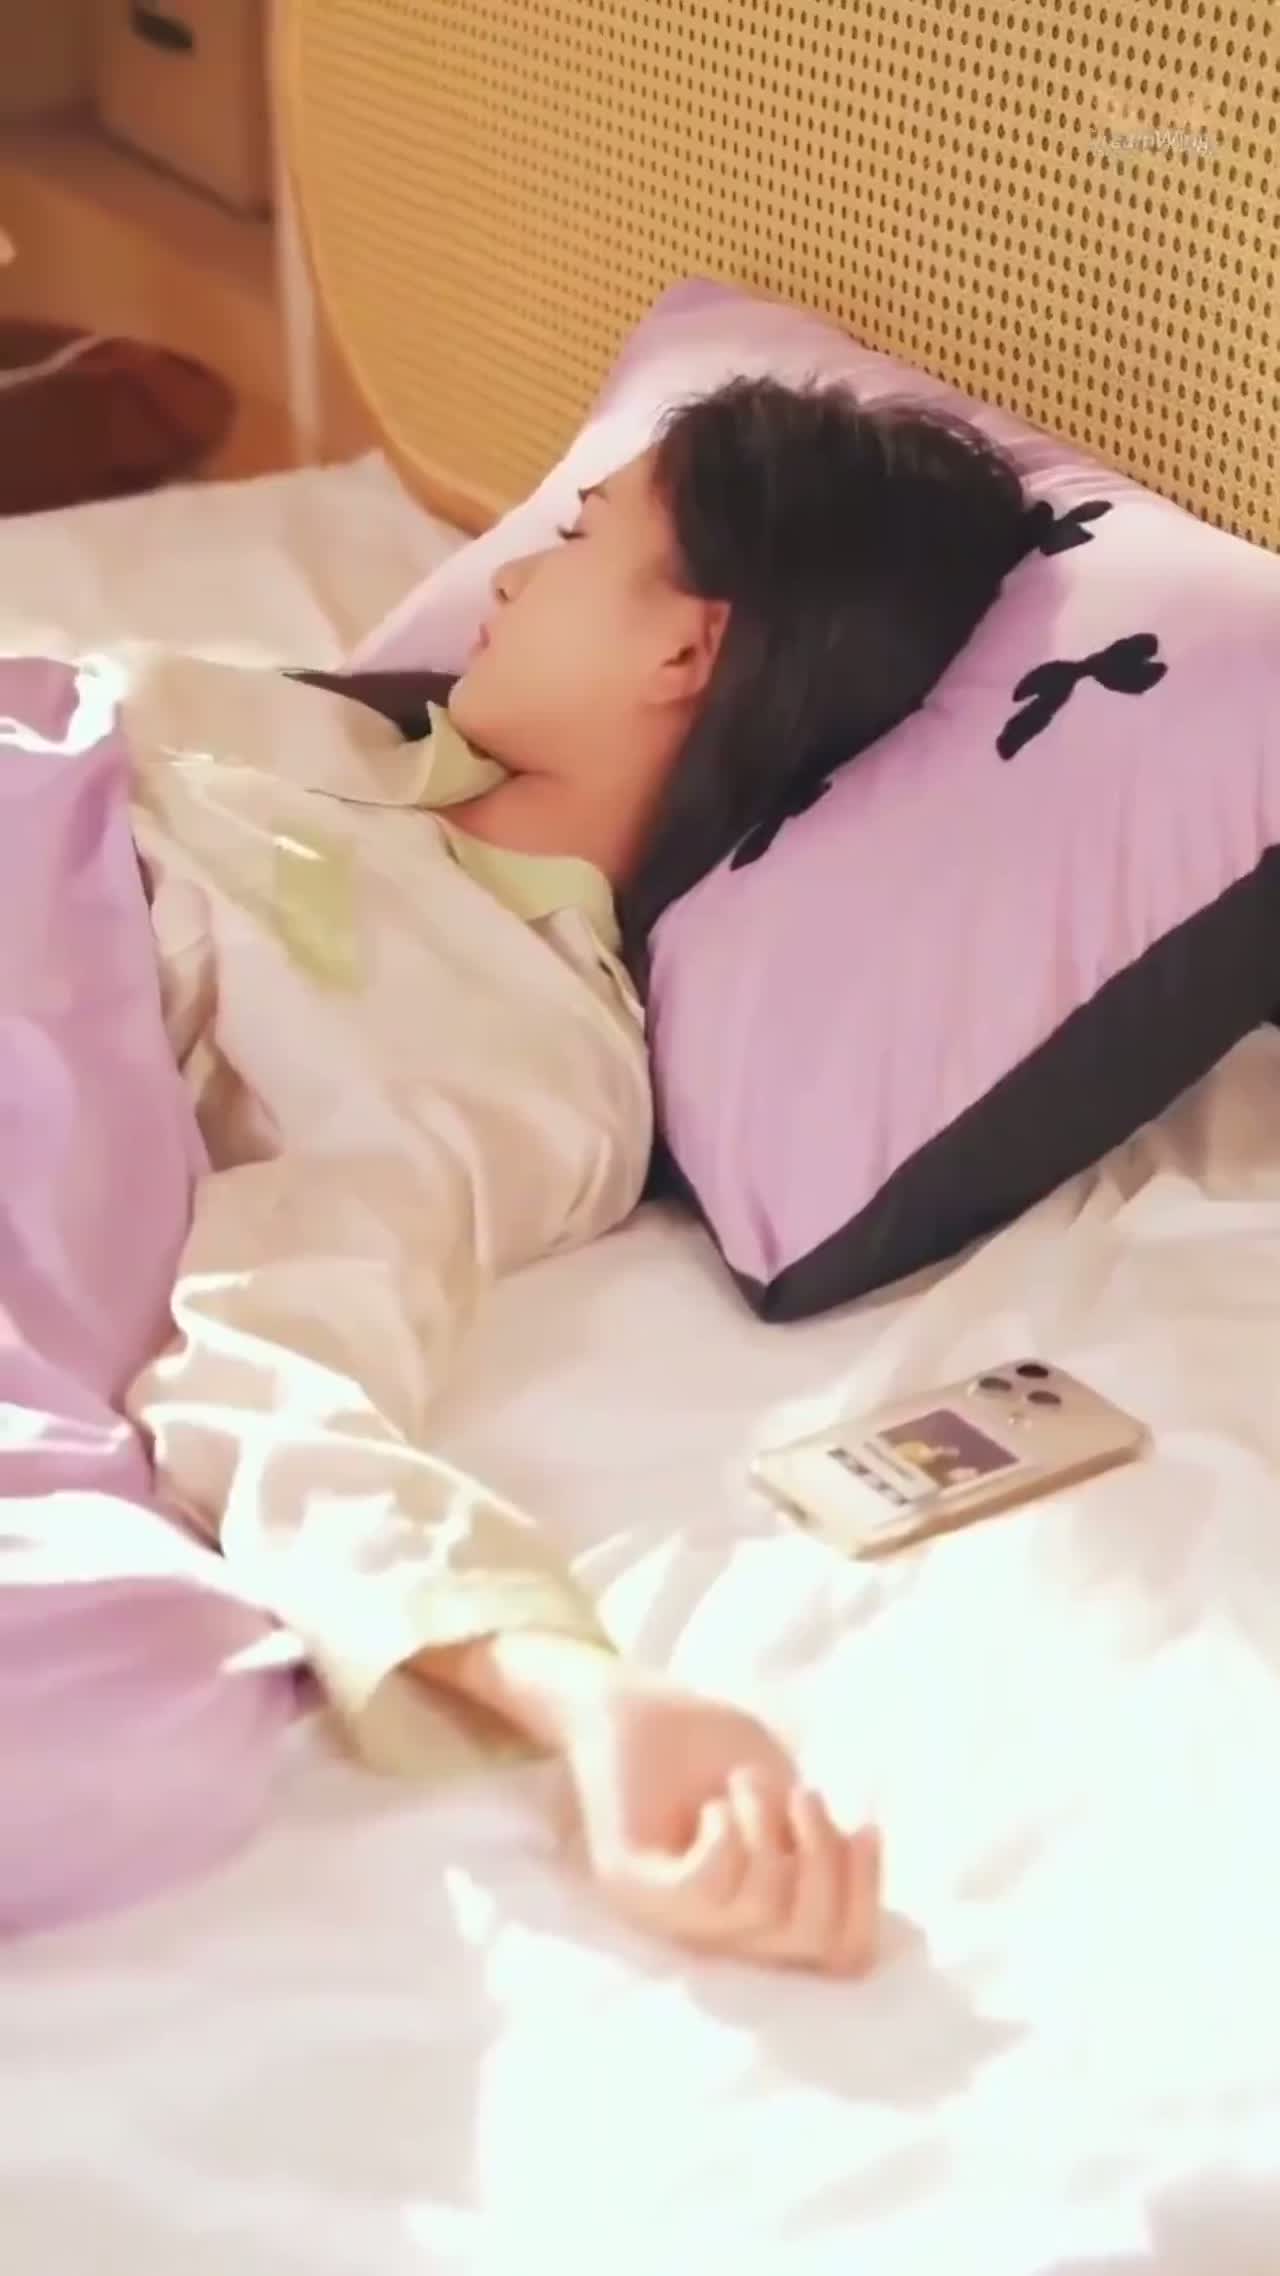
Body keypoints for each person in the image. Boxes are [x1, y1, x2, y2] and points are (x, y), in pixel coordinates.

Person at [124, 376, 1026, 1974]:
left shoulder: (526, 1046)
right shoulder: (304, 722)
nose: (514, 569)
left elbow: (282, 1341)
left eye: (578, 535)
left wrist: (584, 1695)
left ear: (686, 649)